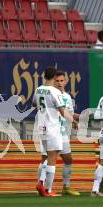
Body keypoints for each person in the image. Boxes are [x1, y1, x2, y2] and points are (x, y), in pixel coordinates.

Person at [33, 67, 75, 197]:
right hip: (53, 128)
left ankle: (40, 182)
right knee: (52, 159)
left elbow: (34, 104)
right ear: (54, 77)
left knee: (45, 157)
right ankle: (48, 190)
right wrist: (74, 121)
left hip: (41, 127)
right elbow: (62, 111)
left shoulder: (38, 89)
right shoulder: (54, 91)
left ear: (44, 76)